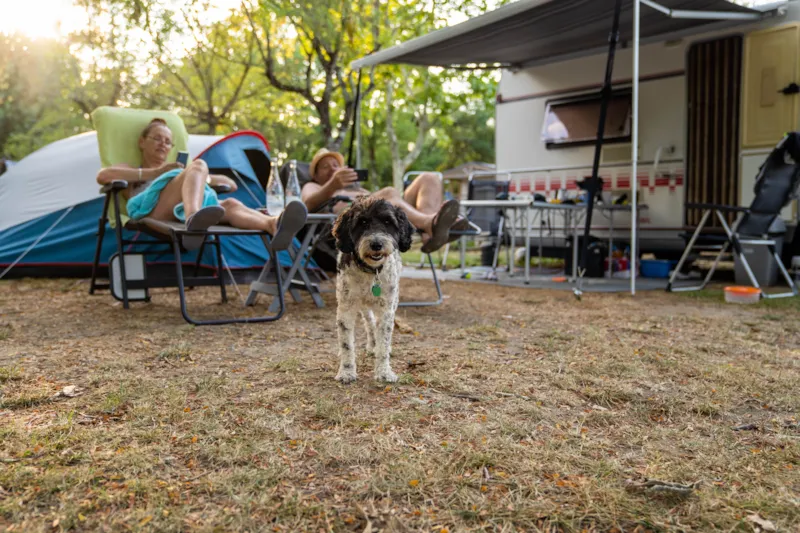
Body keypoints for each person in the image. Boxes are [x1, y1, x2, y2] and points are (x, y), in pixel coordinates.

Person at [96, 118, 307, 250]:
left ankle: (272, 224)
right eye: (157, 138)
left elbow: (229, 184)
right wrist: (158, 172)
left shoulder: (180, 171)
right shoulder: (132, 169)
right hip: (152, 213)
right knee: (197, 165)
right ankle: (193, 219)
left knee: (231, 203)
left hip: (183, 204)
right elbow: (104, 176)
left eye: (168, 141)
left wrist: (197, 175)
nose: (163, 144)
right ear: (142, 142)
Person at [301, 148, 466, 254]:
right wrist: (333, 184)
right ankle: (430, 225)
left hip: (388, 217)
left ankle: (430, 231)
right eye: (325, 167)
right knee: (389, 193)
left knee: (429, 178)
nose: (333, 169)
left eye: (336, 165)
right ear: (315, 175)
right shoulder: (313, 186)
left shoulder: (354, 188)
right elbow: (307, 204)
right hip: (359, 224)